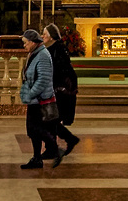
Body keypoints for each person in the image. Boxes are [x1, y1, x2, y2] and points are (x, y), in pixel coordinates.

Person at [18, 28, 59, 169]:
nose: (24, 46)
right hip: (36, 100)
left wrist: (30, 94)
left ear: (33, 42)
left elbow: (43, 79)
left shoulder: (42, 55)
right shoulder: (35, 53)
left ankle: (43, 154)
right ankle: (38, 157)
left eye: (25, 43)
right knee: (33, 130)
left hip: (40, 100)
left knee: (36, 129)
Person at [43, 23, 81, 158]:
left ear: (52, 36)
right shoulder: (52, 48)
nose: (42, 36)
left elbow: (61, 70)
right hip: (54, 88)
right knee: (49, 119)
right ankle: (56, 145)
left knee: (50, 119)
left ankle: (57, 145)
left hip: (59, 89)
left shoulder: (57, 49)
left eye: (45, 34)